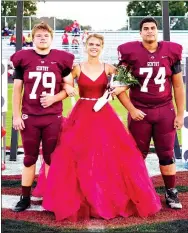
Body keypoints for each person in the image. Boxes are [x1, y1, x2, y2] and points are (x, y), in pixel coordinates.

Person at [41, 33, 161, 221]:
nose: (94, 47)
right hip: (81, 115)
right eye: (91, 44)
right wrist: (67, 88)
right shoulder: (77, 69)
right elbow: (63, 82)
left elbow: (127, 82)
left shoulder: (109, 68)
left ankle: (105, 198)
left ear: (102, 47)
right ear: (85, 46)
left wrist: (119, 92)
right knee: (77, 154)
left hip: (103, 114)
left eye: (97, 44)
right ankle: (80, 199)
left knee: (108, 154)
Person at [117, 17, 185, 209]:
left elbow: (178, 86)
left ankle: (171, 191)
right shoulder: (130, 53)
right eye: (145, 28)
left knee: (166, 153)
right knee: (137, 155)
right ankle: (135, 191)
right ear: (140, 33)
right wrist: (131, 109)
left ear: (157, 31)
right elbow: (118, 87)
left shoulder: (171, 52)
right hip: (140, 110)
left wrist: (180, 114)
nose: (149, 31)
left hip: (165, 110)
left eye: (152, 28)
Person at [10, 22, 74, 212]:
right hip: (30, 116)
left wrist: (55, 97)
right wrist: (16, 115)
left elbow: (69, 88)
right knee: (29, 158)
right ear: (33, 38)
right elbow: (17, 91)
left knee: (50, 159)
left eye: (46, 35)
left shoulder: (61, 59)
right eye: (38, 35)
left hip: (52, 117)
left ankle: (51, 196)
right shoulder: (23, 58)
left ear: (51, 38)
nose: (42, 38)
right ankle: (25, 197)